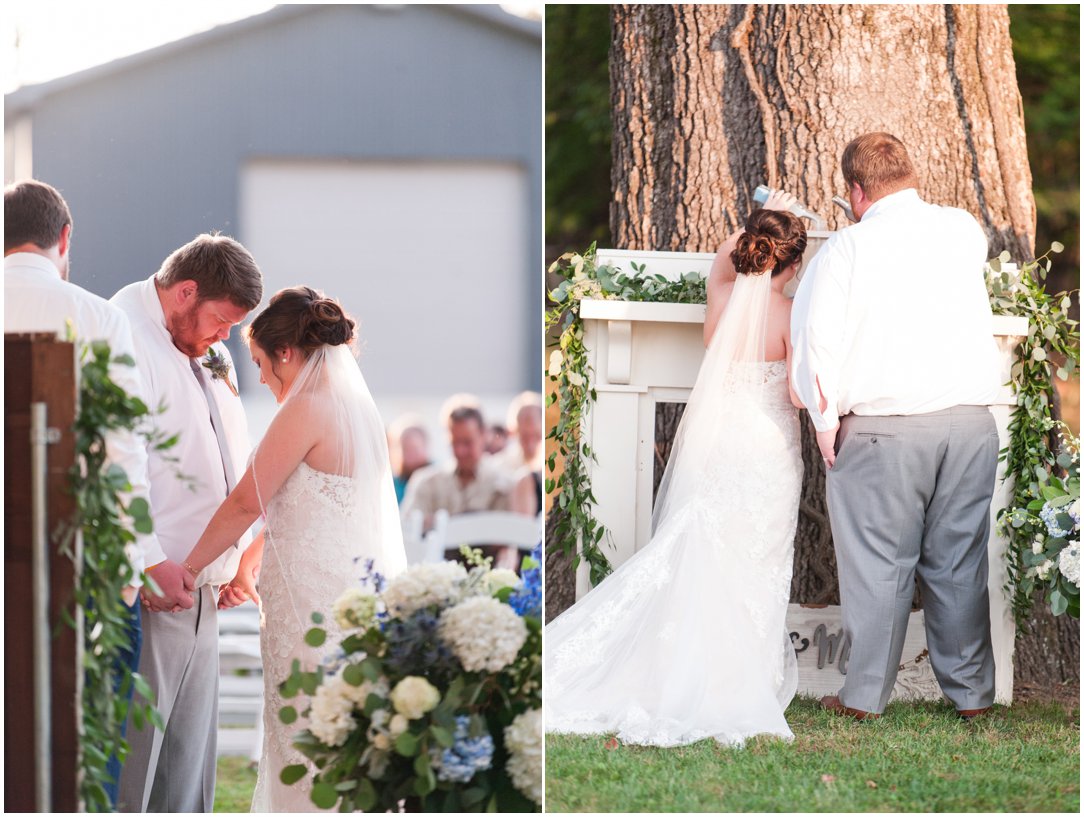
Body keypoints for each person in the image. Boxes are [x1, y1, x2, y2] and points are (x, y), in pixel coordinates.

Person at [545, 203, 808, 747]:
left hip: (717, 441)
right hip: (766, 444)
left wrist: (758, 222)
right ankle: (742, 679)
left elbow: (722, 260)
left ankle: (688, 666)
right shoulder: (793, 314)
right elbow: (799, 395)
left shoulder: (722, 295)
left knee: (701, 549)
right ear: (794, 264)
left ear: (749, 251)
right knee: (757, 557)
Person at [790, 132, 1003, 721]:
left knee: (880, 566)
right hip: (969, 423)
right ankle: (972, 697)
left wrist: (824, 422)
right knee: (958, 562)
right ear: (911, 175)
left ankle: (862, 698)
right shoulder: (963, 230)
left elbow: (816, 340)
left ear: (855, 192)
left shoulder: (847, 249)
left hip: (886, 428)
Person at [175, 286, 408, 810]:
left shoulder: (305, 408)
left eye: (259, 362)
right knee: (330, 736)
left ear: (286, 353)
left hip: (308, 608)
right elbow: (309, 509)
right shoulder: (356, 411)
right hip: (341, 598)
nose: (258, 377)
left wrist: (189, 570)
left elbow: (245, 503)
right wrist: (246, 566)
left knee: (304, 739)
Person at [4, 179, 157, 808]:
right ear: (65, 239)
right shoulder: (98, 316)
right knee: (85, 736)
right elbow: (124, 451)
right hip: (79, 558)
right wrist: (131, 567)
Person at [113, 233, 263, 812]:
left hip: (200, 584)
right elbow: (117, 459)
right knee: (137, 761)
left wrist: (233, 556)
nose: (224, 337)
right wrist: (149, 560)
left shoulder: (199, 345)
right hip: (151, 588)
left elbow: (226, 448)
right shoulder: (122, 334)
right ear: (185, 292)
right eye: (220, 321)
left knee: (189, 767)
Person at [388, 415, 432, 504]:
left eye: (414, 449)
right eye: (406, 449)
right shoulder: (391, 485)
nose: (411, 455)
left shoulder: (437, 479)